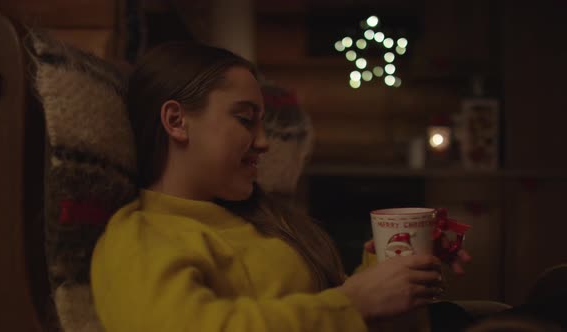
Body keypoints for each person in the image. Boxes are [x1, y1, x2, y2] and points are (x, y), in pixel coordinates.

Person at [90, 42, 470, 331]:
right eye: (245, 119)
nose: (264, 142)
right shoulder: (141, 236)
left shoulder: (263, 220)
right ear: (176, 121)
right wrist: (353, 302)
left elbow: (336, 315)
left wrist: (397, 267)